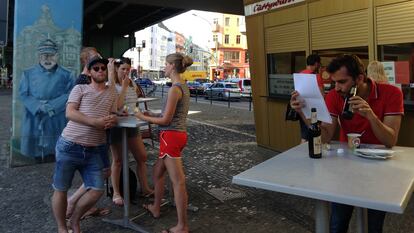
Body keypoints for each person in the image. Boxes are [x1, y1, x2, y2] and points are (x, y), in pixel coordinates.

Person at [290, 54, 404, 233]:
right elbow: (325, 137)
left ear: (359, 78)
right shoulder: (335, 96)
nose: (337, 88)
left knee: (373, 226)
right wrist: (303, 112)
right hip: (346, 167)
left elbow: (390, 140)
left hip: (379, 169)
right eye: (334, 82)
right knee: (337, 224)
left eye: (342, 82)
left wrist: (371, 116)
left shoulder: (391, 93)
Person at [51, 55, 117, 233]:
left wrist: (113, 119)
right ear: (89, 72)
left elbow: (112, 112)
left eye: (103, 68)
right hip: (70, 146)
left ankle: (75, 219)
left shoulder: (112, 92)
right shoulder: (80, 88)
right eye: (96, 68)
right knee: (61, 189)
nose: (101, 71)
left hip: (95, 149)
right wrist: (95, 122)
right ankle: (62, 228)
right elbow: (70, 113)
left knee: (96, 190)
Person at [135, 53, 193, 233]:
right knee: (158, 172)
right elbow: (170, 114)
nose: (164, 67)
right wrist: (153, 114)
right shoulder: (182, 86)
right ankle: (156, 207)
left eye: (166, 64)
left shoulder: (174, 89)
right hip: (177, 135)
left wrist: (142, 116)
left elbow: (167, 120)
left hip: (170, 137)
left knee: (178, 182)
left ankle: (182, 226)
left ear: (173, 67)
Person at [66, 47, 111, 220]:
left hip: (95, 134)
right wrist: (96, 122)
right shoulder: (83, 81)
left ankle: (84, 205)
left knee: (102, 173)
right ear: (87, 62)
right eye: (96, 58)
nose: (100, 60)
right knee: (102, 172)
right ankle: (74, 203)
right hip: (90, 136)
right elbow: (74, 111)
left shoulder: (86, 78)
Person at [19, 38, 75, 160]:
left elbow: (71, 93)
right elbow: (23, 94)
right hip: (35, 116)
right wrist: (38, 106)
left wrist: (51, 106)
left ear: (57, 56)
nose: (47, 59)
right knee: (35, 152)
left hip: (56, 116)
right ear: (39, 56)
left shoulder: (67, 74)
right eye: (44, 55)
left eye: (51, 55)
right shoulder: (28, 73)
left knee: (56, 150)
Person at [107, 57, 153, 206]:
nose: (126, 72)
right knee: (118, 160)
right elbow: (116, 106)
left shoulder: (132, 82)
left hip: (133, 124)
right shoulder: (111, 84)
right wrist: (125, 87)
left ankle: (144, 187)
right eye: (123, 69)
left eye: (128, 69)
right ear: (116, 69)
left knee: (142, 156)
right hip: (117, 126)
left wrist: (142, 112)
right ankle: (116, 192)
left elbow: (132, 104)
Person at [298, 54, 324, 143]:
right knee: (314, 133)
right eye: (319, 63)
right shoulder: (316, 76)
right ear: (316, 64)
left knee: (304, 135)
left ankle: (302, 153)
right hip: (313, 110)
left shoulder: (300, 74)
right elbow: (321, 95)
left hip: (302, 108)